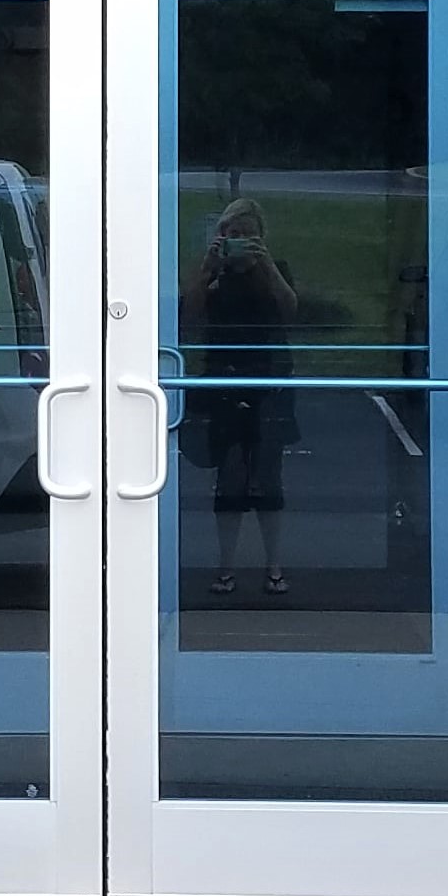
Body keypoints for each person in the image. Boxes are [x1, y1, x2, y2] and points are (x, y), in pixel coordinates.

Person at [183, 197, 300, 596]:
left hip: (270, 385)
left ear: (262, 239)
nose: (240, 243)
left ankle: (274, 565)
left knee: (269, 476)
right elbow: (189, 316)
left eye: (248, 236)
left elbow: (290, 311)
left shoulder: (274, 272)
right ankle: (226, 566)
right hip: (224, 384)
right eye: (233, 235)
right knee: (229, 477)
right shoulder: (214, 277)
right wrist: (207, 269)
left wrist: (265, 265)